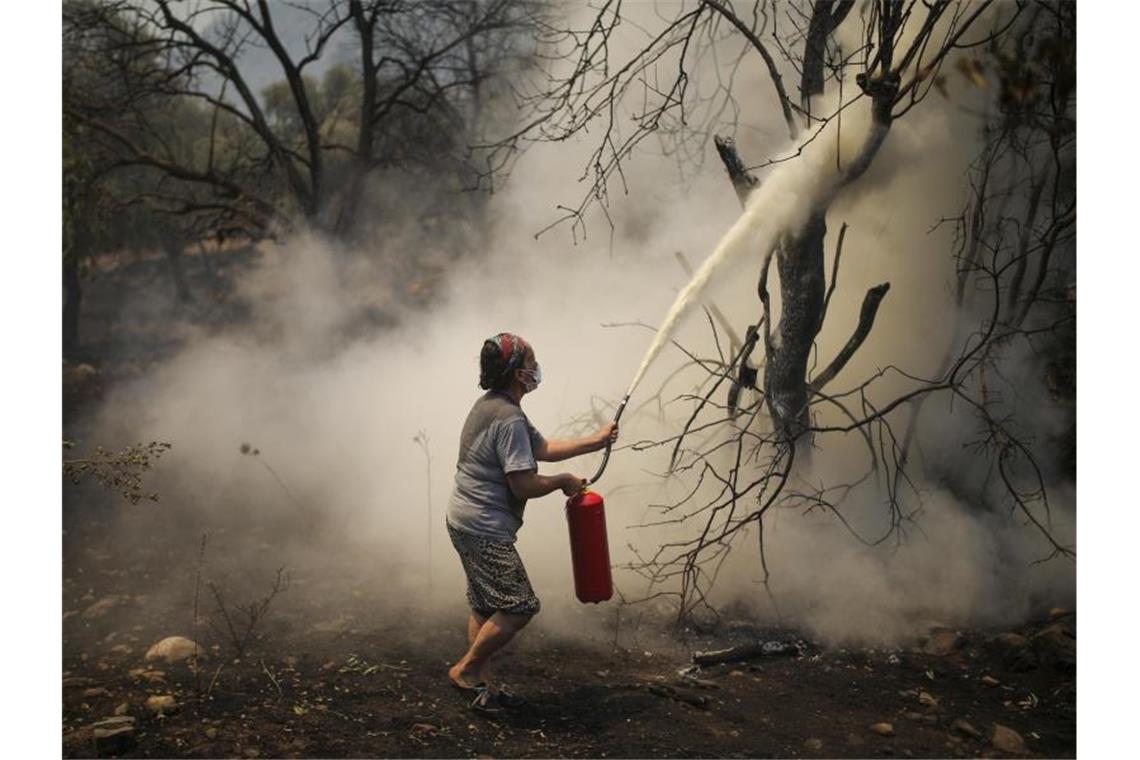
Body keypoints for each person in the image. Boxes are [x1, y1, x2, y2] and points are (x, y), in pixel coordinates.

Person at [445, 332, 619, 712]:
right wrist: (562, 482)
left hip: (463, 520)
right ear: (517, 373)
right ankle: (465, 670)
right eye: (531, 363)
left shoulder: (495, 405)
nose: (536, 369)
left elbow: (541, 449)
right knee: (520, 606)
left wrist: (596, 440)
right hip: (483, 528)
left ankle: (481, 682)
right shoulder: (507, 418)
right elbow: (521, 484)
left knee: (487, 604)